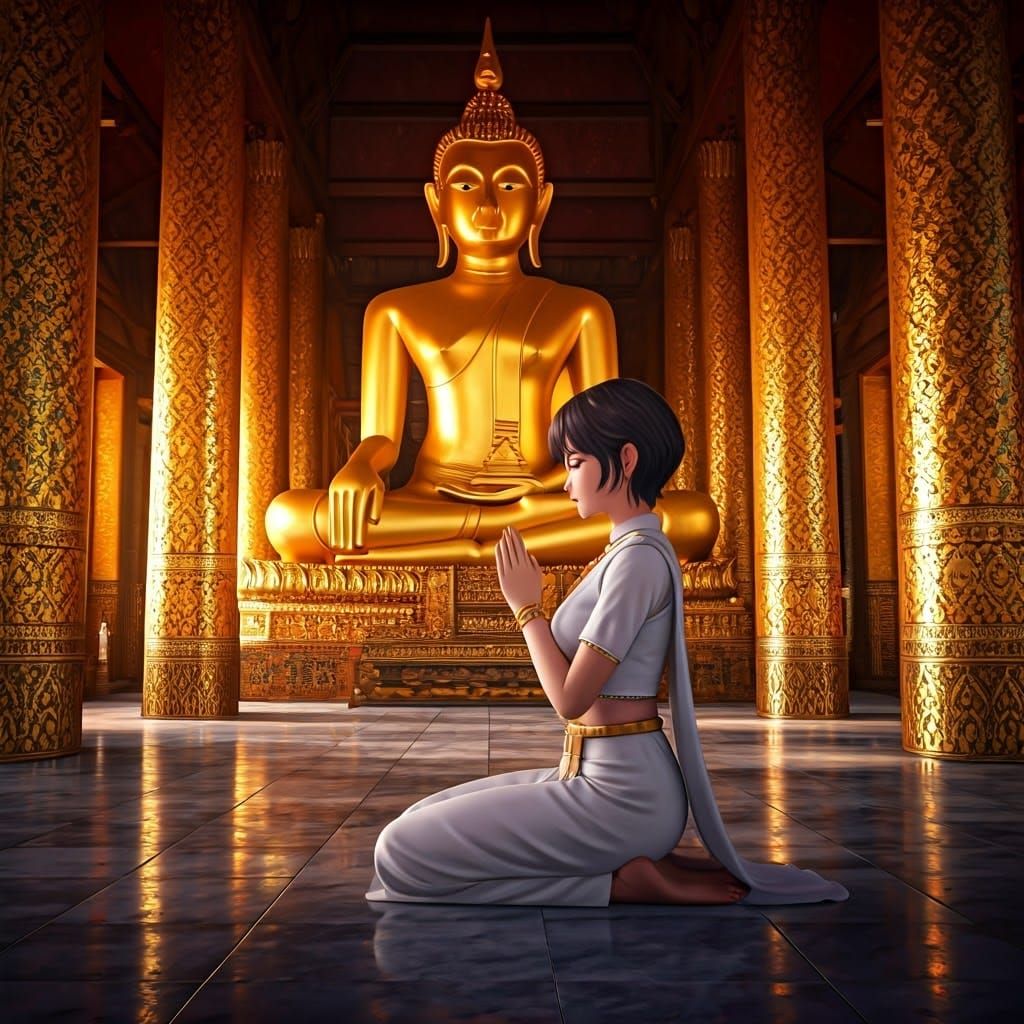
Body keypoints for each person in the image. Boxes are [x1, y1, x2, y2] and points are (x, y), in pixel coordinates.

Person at [366, 378, 849, 906]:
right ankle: (637, 869)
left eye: (574, 463)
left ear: (626, 457)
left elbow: (571, 701)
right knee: (413, 821)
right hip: (594, 771)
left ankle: (616, 883)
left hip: (622, 795)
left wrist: (526, 608)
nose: (566, 483)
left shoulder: (639, 559)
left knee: (399, 853)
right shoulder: (625, 550)